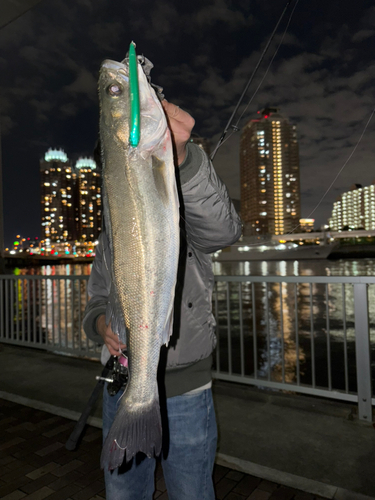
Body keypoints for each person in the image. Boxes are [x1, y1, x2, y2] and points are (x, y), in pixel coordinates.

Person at [83, 100, 242, 500]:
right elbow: (96, 301)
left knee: (192, 493)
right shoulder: (109, 237)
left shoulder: (182, 212)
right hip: (122, 387)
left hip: (185, 391)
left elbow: (224, 231)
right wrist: (101, 324)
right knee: (123, 494)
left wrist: (184, 156)